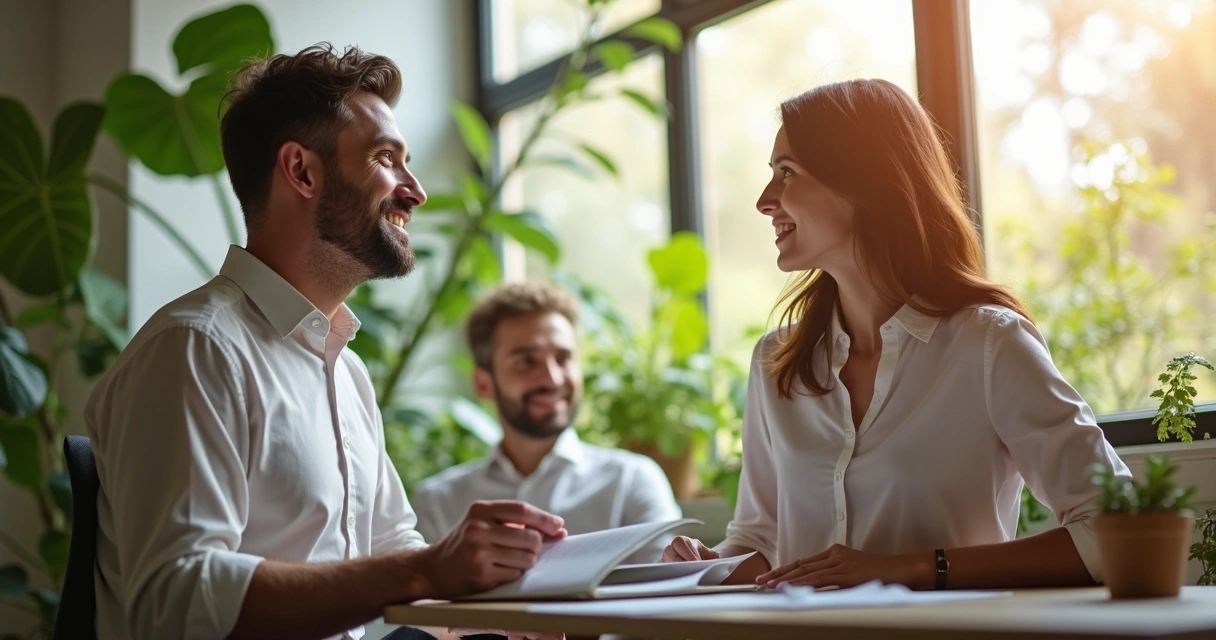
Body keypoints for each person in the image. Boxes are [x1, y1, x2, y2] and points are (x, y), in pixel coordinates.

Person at [85, 44, 566, 640]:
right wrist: (423, 572)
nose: (414, 191)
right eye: (387, 158)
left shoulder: (347, 370)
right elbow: (176, 600)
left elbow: (395, 549)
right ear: (302, 171)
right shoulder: (196, 348)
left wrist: (520, 617)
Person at [660, 79, 1132, 592]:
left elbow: (1119, 530)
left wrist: (913, 568)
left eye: (787, 173)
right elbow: (762, 541)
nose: (764, 200)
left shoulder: (989, 344)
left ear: (861, 183)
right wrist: (706, 565)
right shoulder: (775, 362)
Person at [411, 282, 682, 565]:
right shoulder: (438, 503)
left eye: (563, 358)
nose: (552, 378)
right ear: (483, 383)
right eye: (526, 361)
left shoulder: (632, 482)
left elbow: (672, 588)